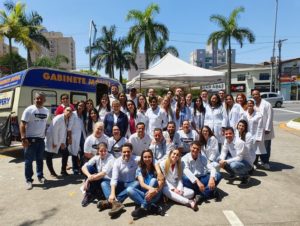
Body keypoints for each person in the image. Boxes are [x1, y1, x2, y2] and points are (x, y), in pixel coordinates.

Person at [98, 143, 139, 217]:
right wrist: (112, 193)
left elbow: (152, 159)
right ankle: (116, 203)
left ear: (131, 151)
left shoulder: (136, 159)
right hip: (120, 184)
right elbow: (114, 178)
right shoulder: (117, 161)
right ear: (121, 152)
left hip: (131, 184)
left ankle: (109, 203)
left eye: (128, 152)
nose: (126, 154)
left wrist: (158, 172)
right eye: (124, 152)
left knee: (137, 183)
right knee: (104, 183)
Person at [20, 92, 49, 190]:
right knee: (28, 162)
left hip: (41, 140)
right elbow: (22, 124)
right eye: (37, 98)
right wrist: (23, 138)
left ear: (44, 100)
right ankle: (29, 180)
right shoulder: (29, 110)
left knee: (40, 160)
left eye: (41, 99)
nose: (39, 100)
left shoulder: (46, 111)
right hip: (30, 140)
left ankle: (40, 176)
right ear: (34, 99)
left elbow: (44, 125)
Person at [127, 149, 164, 219]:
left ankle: (143, 207)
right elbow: (142, 184)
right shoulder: (139, 169)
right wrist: (151, 189)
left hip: (155, 195)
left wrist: (155, 190)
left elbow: (161, 182)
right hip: (145, 194)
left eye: (149, 157)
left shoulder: (157, 168)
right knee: (129, 190)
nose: (147, 159)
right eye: (145, 157)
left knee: (153, 180)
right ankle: (152, 207)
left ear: (152, 158)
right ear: (142, 158)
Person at [81, 142, 115, 207]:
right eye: (101, 151)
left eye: (105, 150)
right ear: (98, 151)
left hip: (108, 181)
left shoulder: (111, 158)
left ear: (107, 150)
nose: (103, 153)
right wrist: (89, 176)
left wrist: (88, 180)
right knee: (89, 168)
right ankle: (89, 194)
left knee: (99, 179)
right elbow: (83, 167)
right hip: (99, 178)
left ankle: (94, 193)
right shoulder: (97, 157)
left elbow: (103, 174)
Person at [45, 107, 73, 177]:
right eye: (67, 110)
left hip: (60, 140)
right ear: (64, 111)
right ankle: (52, 172)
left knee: (65, 153)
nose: (69, 112)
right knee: (49, 156)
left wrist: (63, 142)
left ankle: (63, 170)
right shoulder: (58, 118)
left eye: (70, 111)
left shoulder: (66, 119)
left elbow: (63, 132)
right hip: (52, 139)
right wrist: (55, 143)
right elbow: (54, 131)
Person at [252, 89, 274, 170]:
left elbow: (270, 117)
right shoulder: (253, 104)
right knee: (256, 146)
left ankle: (265, 162)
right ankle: (255, 162)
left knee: (266, 147)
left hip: (265, 129)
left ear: (259, 95)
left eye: (256, 94)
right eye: (253, 95)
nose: (255, 96)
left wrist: (268, 128)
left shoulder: (266, 104)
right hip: (256, 130)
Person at [241, 100, 266, 167]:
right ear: (246, 105)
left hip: (255, 135)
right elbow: (242, 124)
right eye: (248, 103)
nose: (250, 105)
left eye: (251, 103)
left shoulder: (258, 115)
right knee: (246, 149)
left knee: (255, 150)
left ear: (253, 105)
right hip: (246, 135)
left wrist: (258, 137)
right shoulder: (244, 114)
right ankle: (248, 163)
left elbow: (260, 127)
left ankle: (254, 163)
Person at [69, 101, 87, 174]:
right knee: (74, 152)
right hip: (74, 136)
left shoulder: (82, 115)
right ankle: (75, 168)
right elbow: (69, 127)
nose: (81, 107)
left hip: (82, 136)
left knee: (83, 152)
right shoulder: (73, 114)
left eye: (82, 106)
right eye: (79, 105)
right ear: (77, 106)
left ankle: (82, 168)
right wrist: (69, 137)